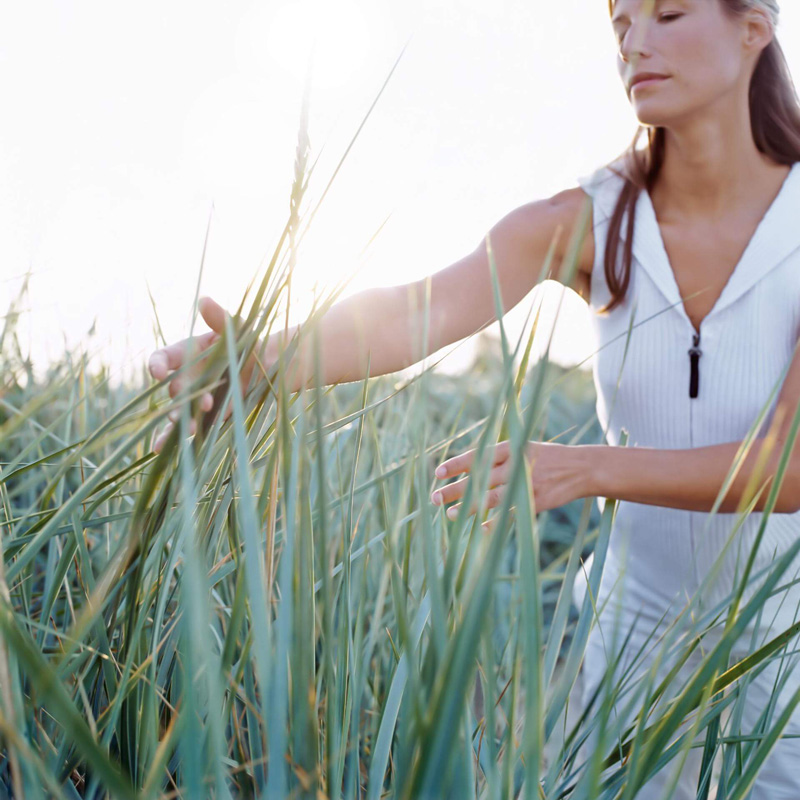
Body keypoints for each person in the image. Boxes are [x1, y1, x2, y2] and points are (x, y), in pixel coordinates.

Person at [148, 0, 800, 795]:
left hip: (786, 645)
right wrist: (260, 362)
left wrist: (584, 470)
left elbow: (788, 467)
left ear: (753, 29)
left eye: (666, 14)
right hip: (632, 634)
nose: (636, 43)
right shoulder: (586, 220)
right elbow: (417, 312)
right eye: (620, 25)